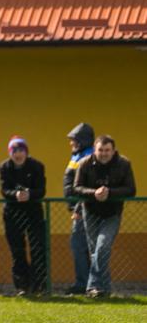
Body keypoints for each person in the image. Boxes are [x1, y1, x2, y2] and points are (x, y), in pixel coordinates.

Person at [73, 135, 136, 298]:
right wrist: (94, 193)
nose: (104, 153)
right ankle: (104, 290)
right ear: (95, 150)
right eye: (100, 150)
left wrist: (109, 193)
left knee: (102, 247)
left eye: (107, 150)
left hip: (112, 213)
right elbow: (76, 188)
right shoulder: (85, 163)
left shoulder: (123, 164)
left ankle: (92, 286)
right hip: (91, 212)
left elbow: (131, 189)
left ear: (113, 150)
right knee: (97, 252)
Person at [0, 136, 47, 295]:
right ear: (10, 153)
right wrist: (16, 194)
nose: (18, 154)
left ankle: (38, 285)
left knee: (37, 249)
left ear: (26, 152)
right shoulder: (5, 167)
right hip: (12, 213)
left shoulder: (37, 166)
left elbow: (41, 190)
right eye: (14, 151)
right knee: (17, 250)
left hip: (33, 212)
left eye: (21, 150)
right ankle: (22, 287)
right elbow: (4, 190)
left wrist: (29, 194)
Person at [63, 123, 95, 295]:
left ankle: (84, 284)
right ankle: (87, 283)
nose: (71, 143)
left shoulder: (87, 157)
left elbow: (83, 185)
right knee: (82, 246)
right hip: (79, 209)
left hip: (82, 210)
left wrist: (78, 208)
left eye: (74, 140)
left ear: (82, 140)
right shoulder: (77, 156)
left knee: (79, 245)